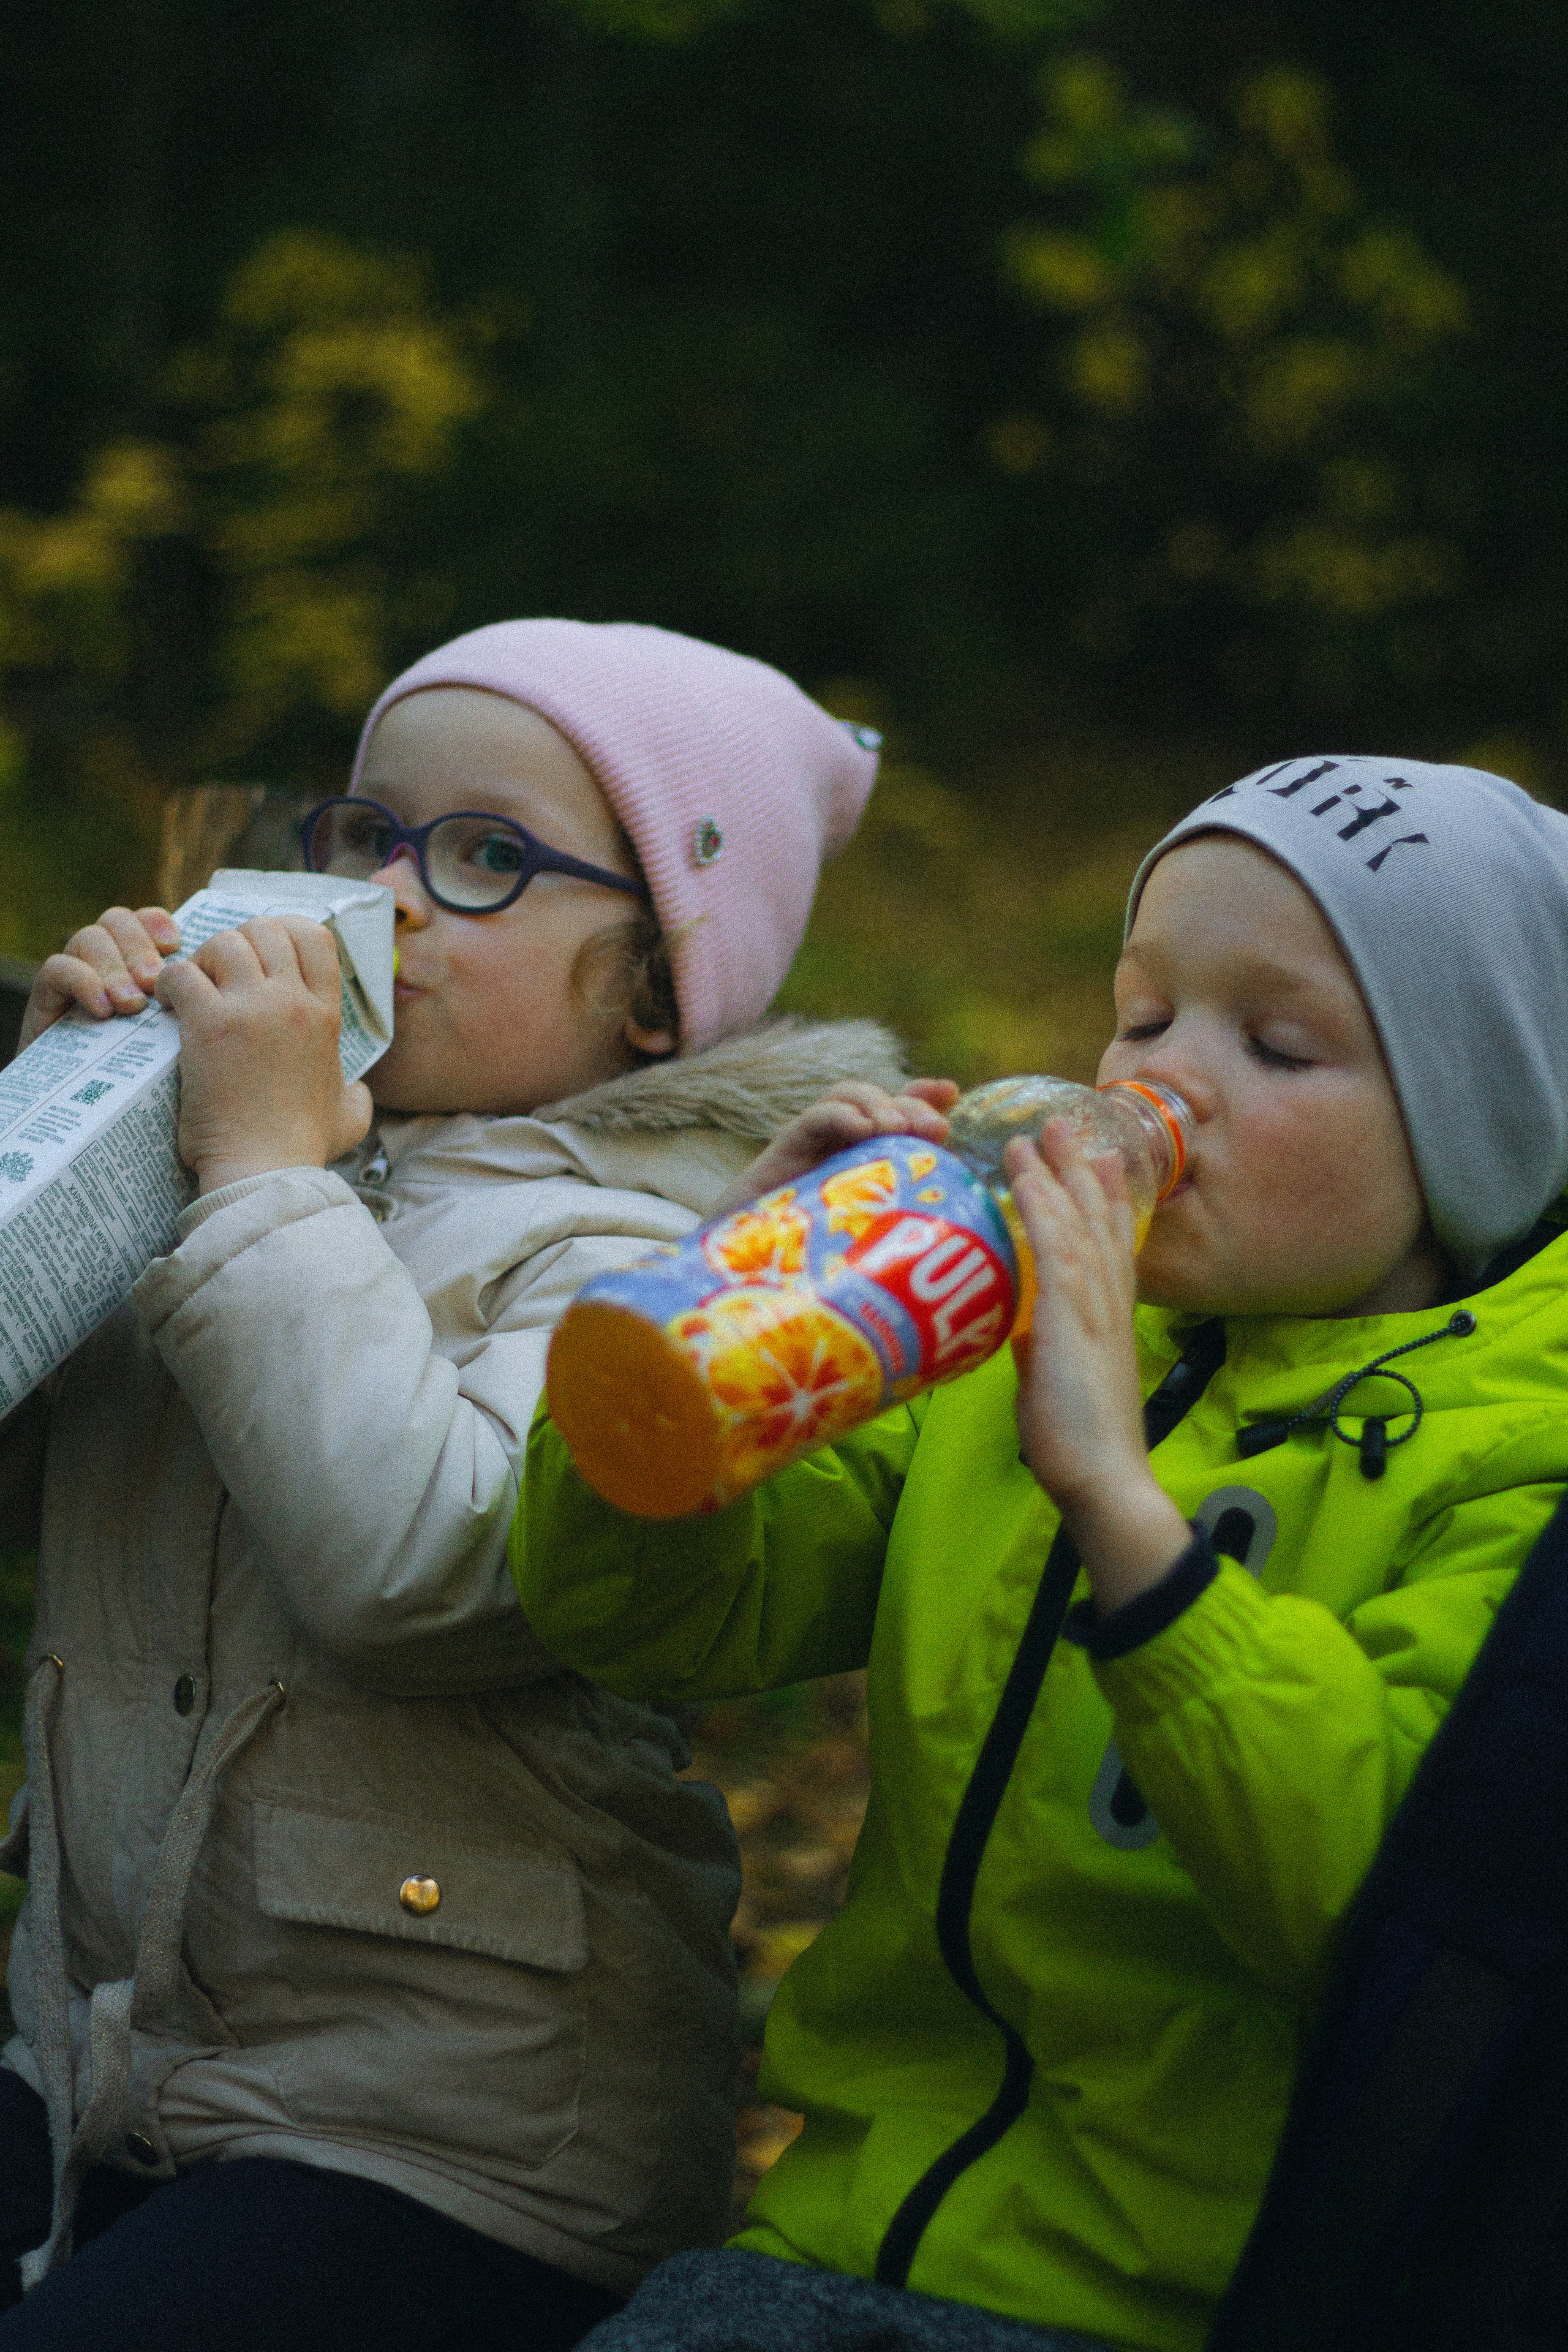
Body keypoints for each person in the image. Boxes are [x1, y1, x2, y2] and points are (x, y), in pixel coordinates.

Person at [513, 754, 1568, 2352]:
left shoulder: (1524, 1449)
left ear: (1474, 1130)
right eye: (1143, 1019)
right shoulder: (1000, 1333)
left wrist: (1125, 1513)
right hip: (835, 2239)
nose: (1162, 1086)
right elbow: (644, 1623)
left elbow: (1383, 1913)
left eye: (1275, 1043)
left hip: (1207, 2307)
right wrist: (715, 1314)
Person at [0, 619, 905, 2350]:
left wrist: (257, 1169)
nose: (392, 898)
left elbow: (418, 1573)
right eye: (363, 833)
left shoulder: (663, 1256)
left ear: (656, 990)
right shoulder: (223, 1151)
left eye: (491, 858)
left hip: (457, 2131)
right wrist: (63, 1141)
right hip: (104, 2052)